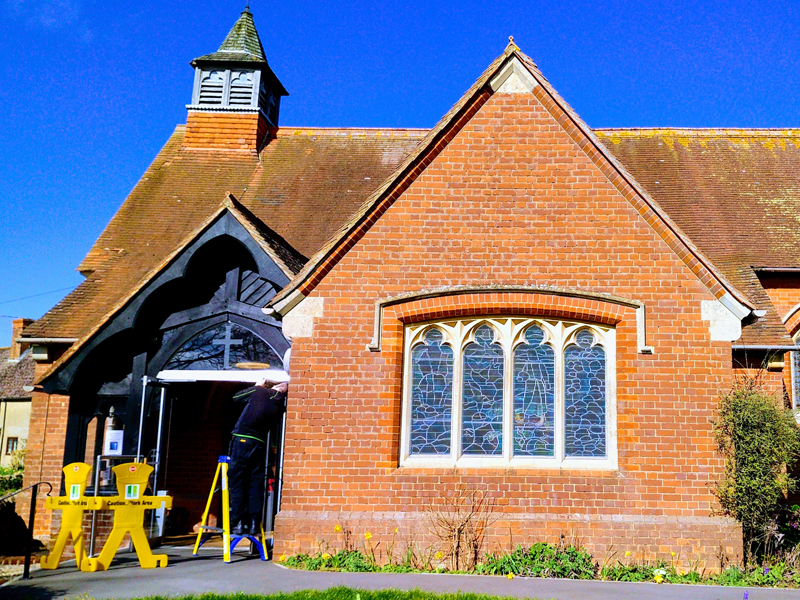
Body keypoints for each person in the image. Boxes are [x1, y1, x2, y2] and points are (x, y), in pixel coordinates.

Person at [228, 379, 287, 536]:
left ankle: (239, 523)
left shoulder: (260, 392)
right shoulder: (280, 407)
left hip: (242, 440)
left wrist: (257, 386)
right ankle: (254, 523)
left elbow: (236, 397)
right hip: (259, 444)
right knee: (255, 483)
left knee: (237, 481)